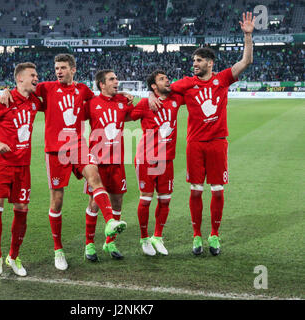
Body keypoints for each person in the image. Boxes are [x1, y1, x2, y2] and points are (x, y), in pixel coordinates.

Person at [0, 54, 127, 270]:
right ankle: (58, 250)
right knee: (57, 200)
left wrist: (124, 95)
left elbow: (102, 98)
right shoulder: (46, 87)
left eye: (63, 67)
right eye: (56, 67)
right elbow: (24, 89)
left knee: (94, 176)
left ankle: (110, 222)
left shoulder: (83, 90)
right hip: (55, 150)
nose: (58, 71)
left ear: (73, 70)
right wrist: (6, 90)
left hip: (78, 145)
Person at [150, 12, 255, 256]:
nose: (194, 64)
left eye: (198, 60)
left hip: (218, 142)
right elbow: (162, 90)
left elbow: (246, 62)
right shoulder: (186, 84)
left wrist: (247, 36)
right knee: (196, 190)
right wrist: (150, 94)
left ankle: (214, 235)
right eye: (194, 61)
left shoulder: (222, 79)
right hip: (195, 144)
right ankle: (197, 235)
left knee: (217, 190)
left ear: (210, 63)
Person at [0, 62, 42, 276]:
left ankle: (13, 257)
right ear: (20, 78)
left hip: (23, 165)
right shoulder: (4, 100)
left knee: (22, 208)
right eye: (32, 75)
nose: (36, 78)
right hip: (1, 163)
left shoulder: (34, 101)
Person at [130, 70, 185, 256]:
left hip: (167, 158)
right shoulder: (146, 103)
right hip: (147, 158)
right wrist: (147, 96)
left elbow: (190, 86)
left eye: (166, 77)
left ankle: (157, 236)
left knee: (165, 200)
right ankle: (144, 238)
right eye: (162, 79)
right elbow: (126, 116)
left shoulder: (176, 98)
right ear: (154, 86)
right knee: (145, 199)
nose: (167, 80)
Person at [83, 69, 133, 261]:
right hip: (97, 162)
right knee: (95, 203)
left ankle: (110, 241)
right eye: (112, 79)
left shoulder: (122, 102)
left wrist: (125, 96)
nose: (117, 81)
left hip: (118, 161)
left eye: (116, 78)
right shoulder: (91, 104)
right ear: (101, 84)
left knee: (118, 202)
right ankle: (89, 244)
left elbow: (135, 112)